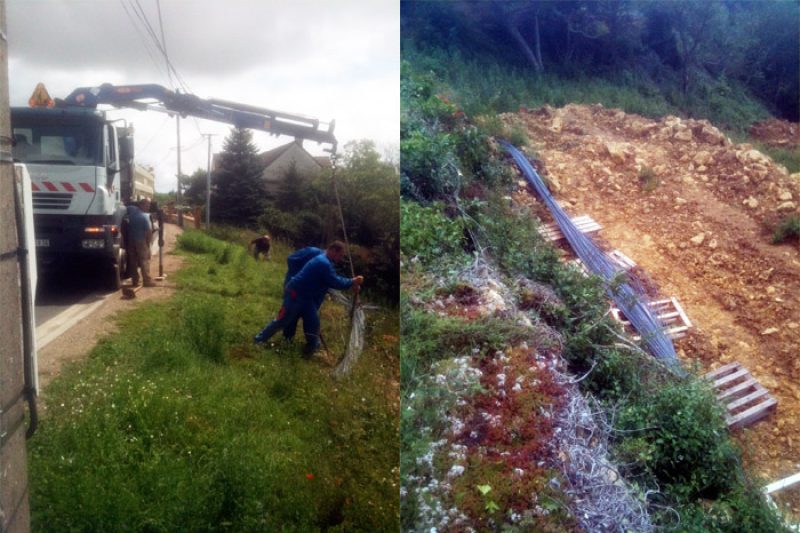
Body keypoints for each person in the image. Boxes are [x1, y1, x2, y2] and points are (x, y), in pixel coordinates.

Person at [254, 241, 363, 357]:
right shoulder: (323, 263)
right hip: (296, 294)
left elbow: (332, 280)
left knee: (313, 321)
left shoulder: (325, 261)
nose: (340, 258)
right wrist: (352, 281)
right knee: (283, 320)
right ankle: (259, 339)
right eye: (340, 255)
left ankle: (312, 348)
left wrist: (351, 283)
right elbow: (335, 281)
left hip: (306, 297)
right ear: (333, 250)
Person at [281, 246, 324, 341]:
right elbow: (291, 259)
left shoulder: (328, 265)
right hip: (295, 289)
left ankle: (311, 346)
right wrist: (300, 276)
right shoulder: (313, 252)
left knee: (311, 320)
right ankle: (287, 340)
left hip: (310, 296)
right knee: (290, 315)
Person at [126, 198, 155, 287]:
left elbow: (125, 207)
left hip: (131, 240)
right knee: (144, 261)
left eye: (149, 205)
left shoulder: (132, 210)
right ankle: (147, 281)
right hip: (141, 241)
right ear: (141, 205)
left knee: (133, 261)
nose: (148, 207)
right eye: (147, 205)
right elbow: (149, 232)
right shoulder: (145, 217)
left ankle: (135, 281)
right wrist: (148, 243)